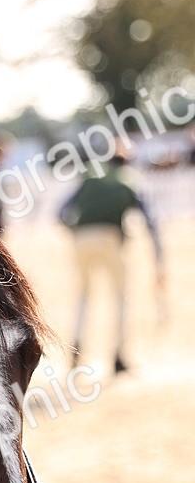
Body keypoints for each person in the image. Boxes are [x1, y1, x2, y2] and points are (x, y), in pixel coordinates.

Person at [58, 147, 166, 373]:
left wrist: (77, 231)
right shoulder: (128, 180)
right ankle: (117, 356)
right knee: (120, 296)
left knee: (84, 295)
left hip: (81, 238)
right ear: (126, 164)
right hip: (110, 238)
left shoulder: (90, 176)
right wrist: (158, 260)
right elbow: (150, 223)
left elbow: (61, 212)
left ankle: (76, 348)